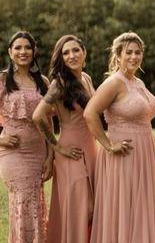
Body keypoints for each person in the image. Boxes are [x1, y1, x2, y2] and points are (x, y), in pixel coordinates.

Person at [84, 32, 155, 243]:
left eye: (137, 52)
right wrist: (108, 144)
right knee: (125, 206)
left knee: (141, 206)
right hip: (124, 154)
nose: (133, 56)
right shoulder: (114, 83)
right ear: (118, 55)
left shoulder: (138, 82)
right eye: (128, 52)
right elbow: (90, 113)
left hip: (145, 152)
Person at [32, 35, 97, 243]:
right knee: (82, 209)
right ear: (61, 58)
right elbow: (38, 115)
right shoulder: (59, 83)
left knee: (93, 209)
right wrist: (57, 147)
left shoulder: (85, 78)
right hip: (72, 151)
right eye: (66, 52)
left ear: (84, 52)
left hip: (90, 147)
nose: (72, 55)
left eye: (76, 50)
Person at [0, 31, 52, 243]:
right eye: (18, 48)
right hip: (13, 154)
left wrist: (51, 156)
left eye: (27, 47)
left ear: (34, 51)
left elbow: (49, 121)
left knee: (36, 205)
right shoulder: (3, 80)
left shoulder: (43, 81)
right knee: (23, 202)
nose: (23, 51)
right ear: (10, 53)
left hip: (38, 152)